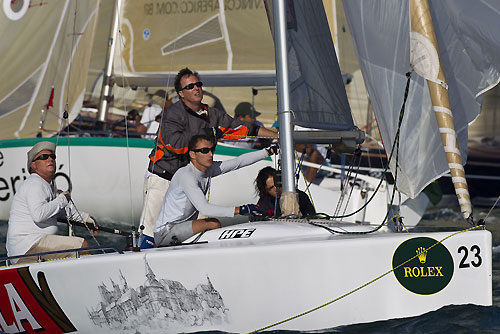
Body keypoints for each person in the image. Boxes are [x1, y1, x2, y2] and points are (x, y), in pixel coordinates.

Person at [139, 67, 277, 248]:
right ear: (181, 94)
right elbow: (176, 145)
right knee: (151, 234)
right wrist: (208, 131)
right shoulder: (172, 115)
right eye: (190, 86)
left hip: (193, 180)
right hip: (163, 179)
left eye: (198, 84)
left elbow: (242, 129)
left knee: (193, 234)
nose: (196, 88)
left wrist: (276, 136)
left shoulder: (212, 115)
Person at [154, 134, 278, 246]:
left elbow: (238, 162)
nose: (210, 154)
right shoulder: (187, 176)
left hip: (181, 227)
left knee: (212, 225)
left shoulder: (209, 169)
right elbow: (204, 208)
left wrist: (268, 151)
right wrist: (241, 209)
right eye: (204, 151)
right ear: (192, 154)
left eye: (212, 150)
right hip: (166, 232)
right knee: (213, 224)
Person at [6, 141, 94, 263]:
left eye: (53, 156)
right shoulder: (35, 183)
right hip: (29, 246)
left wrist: (86, 218)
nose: (50, 159)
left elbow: (61, 212)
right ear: (33, 165)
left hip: (29, 248)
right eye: (43, 157)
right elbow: (39, 215)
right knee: (81, 245)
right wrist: (63, 199)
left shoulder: (45, 185)